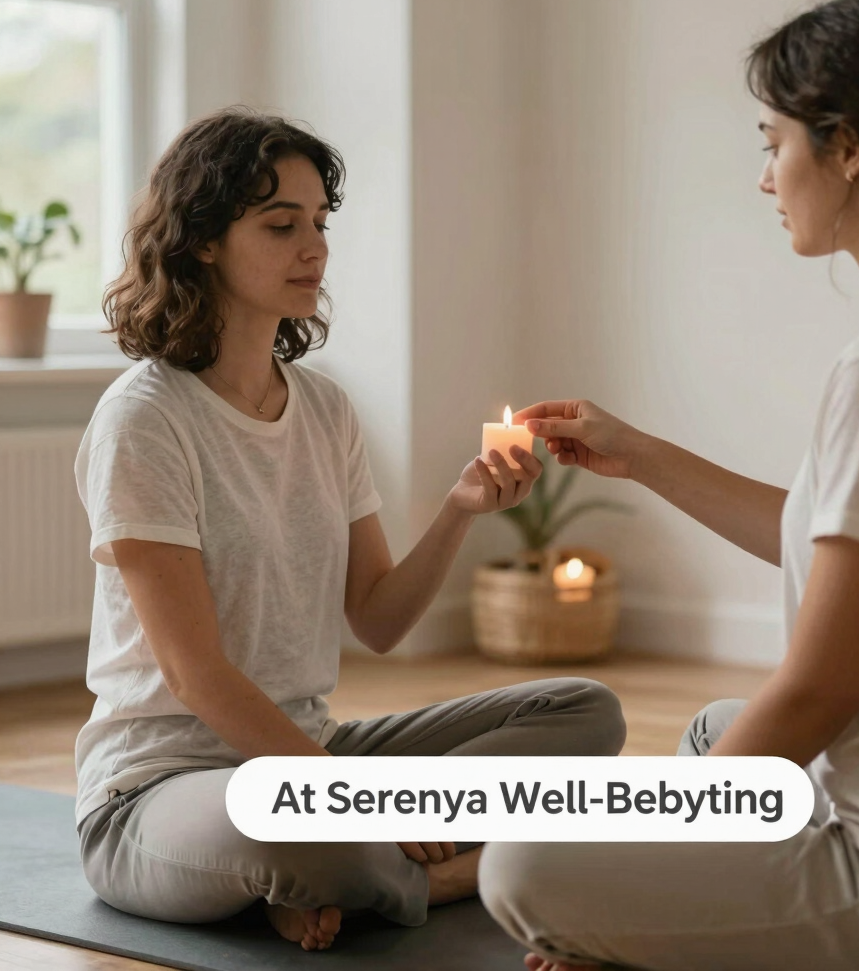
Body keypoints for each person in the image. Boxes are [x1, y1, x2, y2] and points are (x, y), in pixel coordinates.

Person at [479, 0, 859, 971]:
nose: (766, 177)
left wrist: (651, 841)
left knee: (521, 867)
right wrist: (637, 453)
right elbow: (849, 547)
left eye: (772, 142)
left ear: (846, 148)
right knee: (712, 728)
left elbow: (818, 689)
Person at [73, 107, 626, 952]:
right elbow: (196, 678)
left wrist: (458, 510)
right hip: (159, 790)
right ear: (205, 241)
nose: (315, 248)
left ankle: (350, 874)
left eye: (320, 223)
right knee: (297, 834)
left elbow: (378, 619)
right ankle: (458, 870)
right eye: (280, 224)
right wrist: (368, 804)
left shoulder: (325, 409)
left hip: (309, 753)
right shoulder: (145, 420)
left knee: (582, 711)